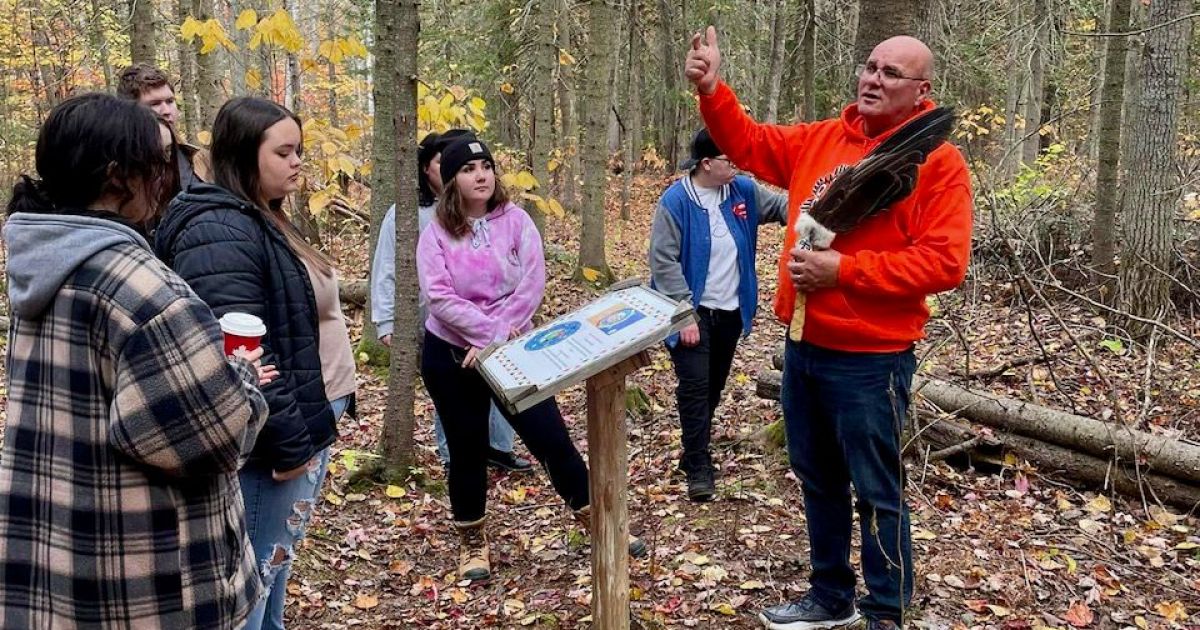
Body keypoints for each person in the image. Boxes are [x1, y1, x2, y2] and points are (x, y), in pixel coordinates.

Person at [685, 29, 973, 630]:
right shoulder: (821, 139)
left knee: (875, 488)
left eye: (891, 73)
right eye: (870, 66)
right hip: (802, 343)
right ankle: (829, 596)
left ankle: (886, 608)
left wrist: (844, 270)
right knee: (816, 476)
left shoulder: (939, 164)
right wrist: (712, 89)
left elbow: (945, 263)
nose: (873, 78)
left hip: (872, 356)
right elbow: (751, 143)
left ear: (922, 91)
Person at [0, 93, 273, 628]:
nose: (168, 177)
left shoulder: (43, 263)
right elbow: (207, 440)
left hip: (58, 555)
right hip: (147, 582)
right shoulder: (144, 288)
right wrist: (238, 376)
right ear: (117, 176)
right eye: (159, 163)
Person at [154, 97, 357, 630]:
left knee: (271, 574)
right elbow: (242, 352)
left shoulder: (258, 216)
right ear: (246, 154)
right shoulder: (219, 230)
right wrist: (288, 444)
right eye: (284, 151)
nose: (297, 162)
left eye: (299, 151)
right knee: (250, 586)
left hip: (294, 424)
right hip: (266, 444)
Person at [417, 136, 646, 581]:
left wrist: (497, 338)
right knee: (466, 450)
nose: (480, 175)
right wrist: (481, 336)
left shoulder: (516, 220)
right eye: (468, 169)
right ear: (450, 181)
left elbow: (532, 282)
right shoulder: (435, 233)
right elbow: (439, 297)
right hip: (451, 356)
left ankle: (599, 521)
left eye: (485, 165)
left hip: (513, 349)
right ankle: (472, 542)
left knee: (551, 438)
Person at [371, 129, 532, 472]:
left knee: (502, 381)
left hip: (496, 323)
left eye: (481, 166)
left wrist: (503, 324)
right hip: (436, 322)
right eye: (447, 163)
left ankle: (499, 448)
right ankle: (453, 454)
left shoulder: (499, 216)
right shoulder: (410, 213)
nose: (472, 173)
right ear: (427, 167)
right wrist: (385, 319)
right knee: (452, 393)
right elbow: (385, 266)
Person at [650, 127, 787, 502]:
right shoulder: (677, 201)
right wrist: (684, 314)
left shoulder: (742, 191)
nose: (738, 165)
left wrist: (819, 206)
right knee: (694, 387)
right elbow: (663, 261)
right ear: (706, 164)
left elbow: (782, 208)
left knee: (713, 386)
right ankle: (698, 465)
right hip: (691, 312)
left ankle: (692, 449)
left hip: (729, 311)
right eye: (730, 160)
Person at [118, 62, 211, 189]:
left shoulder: (202, 161)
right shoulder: (119, 172)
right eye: (154, 104)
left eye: (170, 101)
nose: (166, 111)